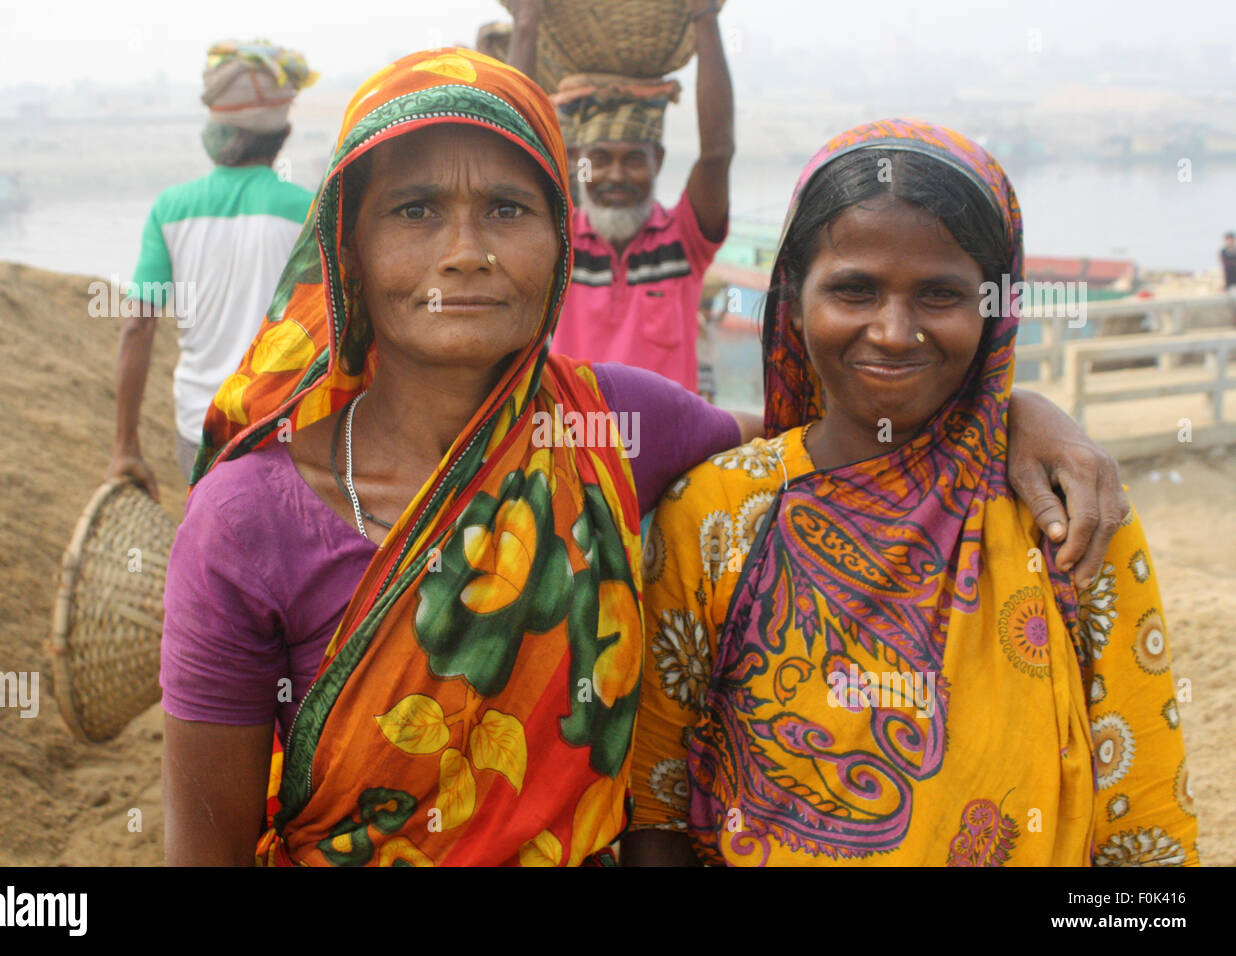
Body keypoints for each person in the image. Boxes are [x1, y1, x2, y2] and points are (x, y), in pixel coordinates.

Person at [159, 52, 1133, 867]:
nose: (466, 251)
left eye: (507, 208)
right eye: (414, 210)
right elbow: (203, 849)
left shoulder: (618, 421)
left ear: (556, 239)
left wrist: (1023, 415)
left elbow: (838, 430)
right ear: (347, 242)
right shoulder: (247, 519)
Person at [624, 120, 1199, 867]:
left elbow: (1144, 826)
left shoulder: (1068, 519)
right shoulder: (714, 516)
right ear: (793, 300)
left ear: (995, 309)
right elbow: (656, 801)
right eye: (854, 289)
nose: (893, 332)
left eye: (940, 295)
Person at [107, 41, 317, 496]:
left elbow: (136, 328)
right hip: (285, 425)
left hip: (199, 427)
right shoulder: (309, 211)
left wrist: (125, 445)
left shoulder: (170, 209)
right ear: (281, 136)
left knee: (214, 547)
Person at [509, 0, 732, 392]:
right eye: (600, 160)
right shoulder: (559, 243)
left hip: (672, 451)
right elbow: (514, 156)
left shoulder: (683, 241)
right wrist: (527, 24)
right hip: (575, 447)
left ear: (658, 161)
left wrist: (705, 16)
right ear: (578, 162)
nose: (616, 175)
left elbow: (716, 154)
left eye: (633, 160)